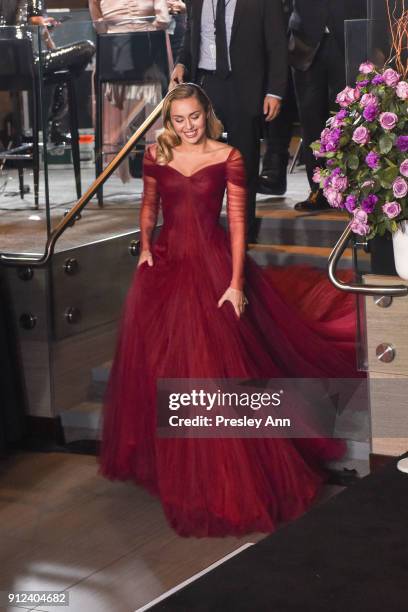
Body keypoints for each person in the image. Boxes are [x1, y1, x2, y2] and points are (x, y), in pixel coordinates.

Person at [99, 83, 360, 538]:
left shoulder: (229, 157)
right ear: (169, 121)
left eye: (194, 117)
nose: (188, 126)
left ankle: (215, 473)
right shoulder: (156, 156)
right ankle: (175, 467)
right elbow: (148, 208)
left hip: (213, 265)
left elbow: (238, 224)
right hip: (165, 265)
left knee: (213, 371)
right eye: (178, 119)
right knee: (162, 367)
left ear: (207, 113)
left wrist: (236, 283)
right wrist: (144, 247)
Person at [170, 0, 288, 243]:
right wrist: (182, 62)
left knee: (243, 166)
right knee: (201, 166)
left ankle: (242, 236)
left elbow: (277, 45)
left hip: (245, 88)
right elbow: (192, 34)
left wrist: (275, 91)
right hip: (205, 85)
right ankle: (203, 232)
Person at [289, 0, 366, 210]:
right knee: (310, 119)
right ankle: (319, 191)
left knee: (350, 116)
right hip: (304, 39)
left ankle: (353, 189)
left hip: (350, 33)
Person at [89, 0, 171, 183]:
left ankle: (124, 156)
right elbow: (163, 20)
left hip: (117, 60)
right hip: (146, 60)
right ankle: (155, 161)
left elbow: (99, 26)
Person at [0, 0, 95, 145]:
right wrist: (50, 44)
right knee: (86, 48)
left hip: (7, 67)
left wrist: (42, 24)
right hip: (25, 64)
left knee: (63, 70)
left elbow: (25, 22)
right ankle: (57, 126)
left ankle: (57, 127)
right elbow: (35, 19)